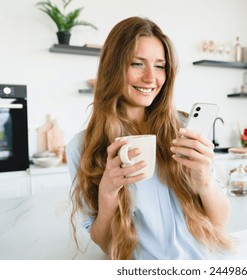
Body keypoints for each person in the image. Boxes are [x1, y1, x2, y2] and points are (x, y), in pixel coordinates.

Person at [66, 16, 233, 260]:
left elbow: (220, 221)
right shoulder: (81, 147)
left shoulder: (184, 129)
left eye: (159, 66)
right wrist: (108, 192)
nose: (151, 78)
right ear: (112, 67)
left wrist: (204, 177)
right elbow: (104, 242)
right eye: (137, 63)